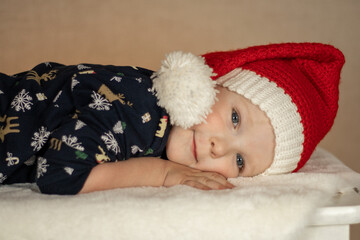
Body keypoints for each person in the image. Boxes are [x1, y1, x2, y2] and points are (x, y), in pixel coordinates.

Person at [0, 42, 345, 195]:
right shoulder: (137, 109)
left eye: (240, 161)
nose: (219, 147)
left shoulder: (161, 128)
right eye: (235, 118)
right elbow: (59, 175)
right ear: (207, 84)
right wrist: (162, 173)